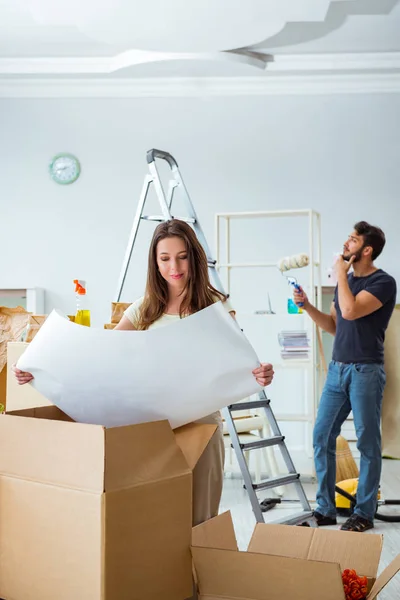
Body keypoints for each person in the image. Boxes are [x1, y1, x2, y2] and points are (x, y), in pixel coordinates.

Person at [13, 218, 274, 528]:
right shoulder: (144, 308)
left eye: (182, 256)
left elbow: (239, 362)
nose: (173, 266)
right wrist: (40, 370)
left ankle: (196, 578)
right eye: (164, 258)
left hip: (202, 423)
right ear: (155, 262)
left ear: (194, 256)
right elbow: (103, 357)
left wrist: (259, 375)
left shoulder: (215, 305)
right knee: (156, 519)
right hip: (152, 425)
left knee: (200, 518)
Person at [294, 221, 396, 532]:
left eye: (352, 240)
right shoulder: (347, 281)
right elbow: (336, 324)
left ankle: (364, 512)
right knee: (322, 435)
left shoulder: (383, 283)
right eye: (347, 238)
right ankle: (325, 509)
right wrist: (307, 306)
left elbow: (351, 311)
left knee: (367, 442)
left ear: (367, 250)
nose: (346, 243)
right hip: (338, 370)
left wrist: (340, 272)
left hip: (366, 370)